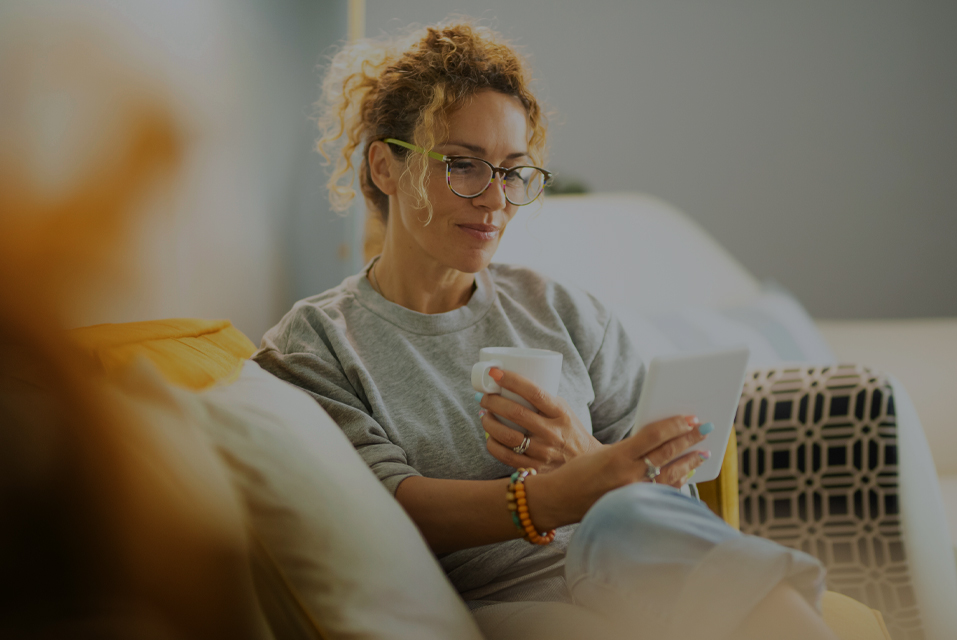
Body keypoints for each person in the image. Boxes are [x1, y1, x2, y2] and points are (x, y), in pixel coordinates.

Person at [254, 21, 838, 640]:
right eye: (462, 165)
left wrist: (584, 461)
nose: (495, 199)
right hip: (494, 599)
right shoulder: (316, 343)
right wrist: (556, 496)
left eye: (512, 170)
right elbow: (381, 507)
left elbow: (664, 503)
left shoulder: (561, 308)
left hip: (628, 565)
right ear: (384, 167)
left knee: (628, 526)